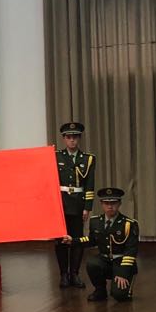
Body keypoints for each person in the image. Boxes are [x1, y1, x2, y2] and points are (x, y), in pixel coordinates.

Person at [74, 187, 139, 303]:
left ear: (119, 204)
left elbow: (131, 250)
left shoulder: (129, 224)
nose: (110, 206)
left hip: (121, 263)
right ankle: (100, 291)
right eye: (106, 203)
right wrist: (73, 241)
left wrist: (123, 273)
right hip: (105, 261)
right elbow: (92, 240)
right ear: (101, 204)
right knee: (92, 263)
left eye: (113, 203)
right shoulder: (95, 221)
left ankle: (123, 284)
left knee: (119, 296)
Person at [55, 121, 96, 289]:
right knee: (61, 241)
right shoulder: (56, 157)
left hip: (78, 203)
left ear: (79, 138)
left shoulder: (88, 159)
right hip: (61, 203)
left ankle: (75, 274)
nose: (72, 140)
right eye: (68, 137)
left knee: (77, 239)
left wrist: (87, 207)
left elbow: (90, 185)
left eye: (75, 137)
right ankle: (64, 274)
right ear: (64, 139)